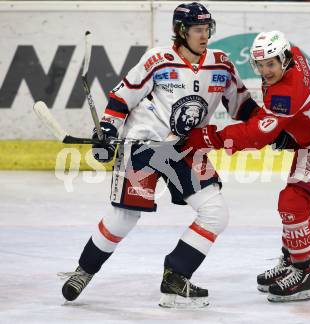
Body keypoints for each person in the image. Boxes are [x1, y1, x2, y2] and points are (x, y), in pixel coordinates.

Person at [59, 2, 258, 308]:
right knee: (124, 217)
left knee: (215, 212)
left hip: (186, 147)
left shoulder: (221, 65)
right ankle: (84, 270)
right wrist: (108, 131)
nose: (204, 36)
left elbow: (243, 108)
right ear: (181, 31)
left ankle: (175, 277)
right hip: (144, 146)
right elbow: (122, 97)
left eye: (207, 29)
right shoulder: (158, 59)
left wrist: (274, 126)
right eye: (197, 30)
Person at [184, 30, 310, 303]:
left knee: (293, 202)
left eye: (271, 64)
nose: (266, 71)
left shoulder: (287, 93)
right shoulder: (294, 55)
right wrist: (288, 130)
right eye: (260, 65)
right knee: (292, 203)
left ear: (284, 59)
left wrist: (207, 137)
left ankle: (303, 272)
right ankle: (294, 259)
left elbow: (256, 137)